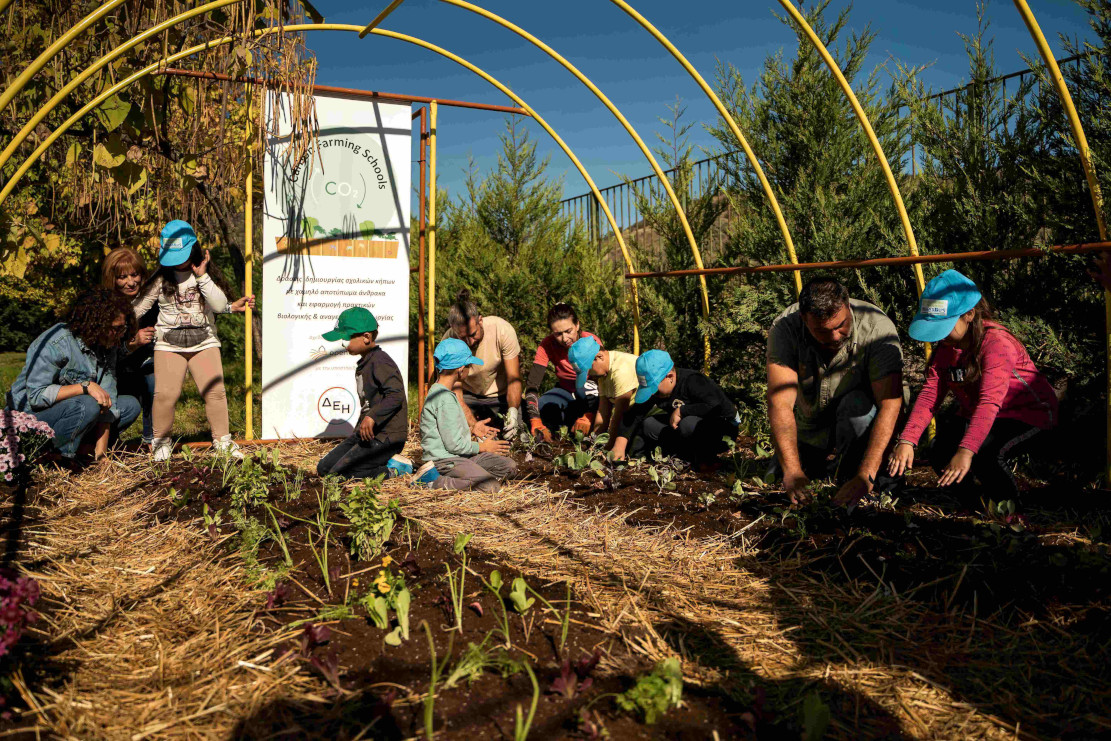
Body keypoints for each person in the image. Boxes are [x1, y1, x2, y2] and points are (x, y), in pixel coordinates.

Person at [887, 270, 1057, 499]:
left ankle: (1007, 513)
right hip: (979, 414)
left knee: (987, 454)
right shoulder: (947, 348)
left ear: (969, 314)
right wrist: (907, 439)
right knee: (940, 452)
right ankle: (973, 505)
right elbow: (930, 395)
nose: (940, 335)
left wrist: (966, 451)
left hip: (1026, 415)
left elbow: (989, 403)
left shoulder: (997, 343)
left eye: (945, 325)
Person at [766, 277, 904, 506]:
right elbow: (780, 403)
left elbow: (890, 404)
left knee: (857, 407)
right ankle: (823, 464)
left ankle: (854, 472)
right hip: (811, 424)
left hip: (860, 423)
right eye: (821, 330)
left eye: (840, 326)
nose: (834, 337)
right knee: (781, 476)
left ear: (848, 306)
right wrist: (792, 470)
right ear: (804, 319)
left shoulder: (877, 327)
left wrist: (866, 475)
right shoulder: (785, 329)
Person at [103, 247, 254, 447]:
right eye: (122, 277)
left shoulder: (161, 292)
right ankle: (135, 440)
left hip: (164, 353)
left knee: (159, 380)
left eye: (135, 274)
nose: (131, 282)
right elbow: (105, 347)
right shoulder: (106, 306)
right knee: (160, 391)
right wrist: (130, 343)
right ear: (111, 278)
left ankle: (153, 440)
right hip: (118, 368)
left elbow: (206, 305)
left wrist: (229, 307)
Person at [132, 220, 240, 461]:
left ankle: (222, 441)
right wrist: (118, 318)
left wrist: (202, 277)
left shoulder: (206, 275)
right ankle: (160, 443)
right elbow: (139, 307)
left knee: (215, 393)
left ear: (194, 249)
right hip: (169, 345)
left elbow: (220, 306)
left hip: (205, 343)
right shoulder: (161, 279)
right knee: (165, 395)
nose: (177, 260)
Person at [6, 289, 140, 462]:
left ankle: (85, 448)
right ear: (95, 325)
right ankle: (61, 457)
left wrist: (101, 456)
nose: (120, 335)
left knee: (129, 405)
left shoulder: (108, 344)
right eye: (116, 329)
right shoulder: (56, 342)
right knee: (87, 404)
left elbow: (108, 400)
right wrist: (85, 387)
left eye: (123, 328)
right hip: (30, 417)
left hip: (73, 410)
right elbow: (36, 396)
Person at [315, 307, 411, 480]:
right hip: (368, 434)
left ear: (366, 337)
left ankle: (395, 470)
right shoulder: (365, 362)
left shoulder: (381, 361)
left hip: (386, 437)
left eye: (346, 338)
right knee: (324, 468)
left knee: (338, 475)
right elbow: (369, 404)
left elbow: (396, 395)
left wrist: (372, 417)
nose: (343, 344)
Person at [418, 339, 518, 492]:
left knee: (509, 467)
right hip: (444, 461)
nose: (469, 370)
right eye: (469, 366)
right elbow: (454, 445)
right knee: (490, 487)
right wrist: (483, 447)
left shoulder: (441, 393)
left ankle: (470, 476)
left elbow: (447, 431)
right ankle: (433, 481)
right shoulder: (445, 399)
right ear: (461, 368)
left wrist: (471, 428)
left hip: (458, 457)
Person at [610, 350, 738, 467]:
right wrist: (620, 444)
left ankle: (707, 461)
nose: (653, 394)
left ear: (670, 377)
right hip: (686, 431)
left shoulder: (693, 380)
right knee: (649, 424)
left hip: (722, 430)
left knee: (688, 424)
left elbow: (715, 406)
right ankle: (683, 456)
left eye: (654, 389)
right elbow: (634, 414)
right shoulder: (658, 390)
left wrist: (682, 411)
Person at [441, 290, 523, 440]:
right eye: (463, 337)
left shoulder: (502, 330)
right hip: (467, 396)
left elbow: (514, 378)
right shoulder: (448, 342)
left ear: (480, 320)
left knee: (518, 433)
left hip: (500, 396)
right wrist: (473, 425)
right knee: (452, 433)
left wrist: (512, 411)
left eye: (473, 334)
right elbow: (455, 391)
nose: (470, 342)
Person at [525, 303, 602, 441]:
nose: (565, 338)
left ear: (577, 325)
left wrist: (589, 414)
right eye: (558, 334)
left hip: (590, 392)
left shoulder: (590, 341)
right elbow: (532, 384)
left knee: (582, 389)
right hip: (565, 390)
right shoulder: (547, 345)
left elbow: (603, 380)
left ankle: (587, 422)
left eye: (568, 331)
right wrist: (535, 420)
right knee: (542, 404)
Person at [567, 336, 638, 447]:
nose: (589, 374)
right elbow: (603, 409)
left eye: (589, 369)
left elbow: (619, 414)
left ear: (599, 357)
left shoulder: (621, 370)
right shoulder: (603, 372)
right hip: (630, 416)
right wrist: (595, 439)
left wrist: (608, 446)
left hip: (645, 415)